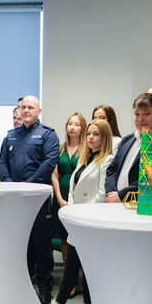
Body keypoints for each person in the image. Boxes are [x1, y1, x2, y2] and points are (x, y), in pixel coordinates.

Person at [45, 119, 114, 304]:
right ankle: (61, 302)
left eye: (96, 134)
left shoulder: (107, 160)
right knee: (72, 262)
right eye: (89, 134)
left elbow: (102, 193)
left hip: (92, 219)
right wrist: (73, 209)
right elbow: (73, 188)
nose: (91, 137)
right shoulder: (85, 158)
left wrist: (81, 212)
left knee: (91, 265)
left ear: (105, 137)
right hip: (78, 218)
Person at [0, 95, 59, 304]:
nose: (26, 110)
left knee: (41, 244)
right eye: (23, 107)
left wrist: (27, 185)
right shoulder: (11, 135)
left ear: (39, 111)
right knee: (18, 243)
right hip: (15, 198)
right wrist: (9, 183)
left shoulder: (48, 135)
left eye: (30, 107)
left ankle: (44, 287)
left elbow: (49, 163)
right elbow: (2, 162)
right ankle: (20, 285)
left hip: (37, 198)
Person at [104, 93, 152, 203]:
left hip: (142, 204)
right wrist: (112, 192)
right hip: (115, 202)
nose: (140, 119)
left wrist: (121, 195)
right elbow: (112, 170)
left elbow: (151, 179)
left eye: (146, 114)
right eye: (137, 114)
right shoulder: (127, 140)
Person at [51, 112, 87, 262]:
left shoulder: (87, 149)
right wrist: (59, 198)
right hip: (61, 194)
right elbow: (54, 175)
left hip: (79, 195)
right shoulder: (60, 148)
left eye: (76, 124)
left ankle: (81, 270)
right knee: (64, 236)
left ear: (83, 128)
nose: (72, 127)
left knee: (79, 235)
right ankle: (68, 271)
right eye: (70, 124)